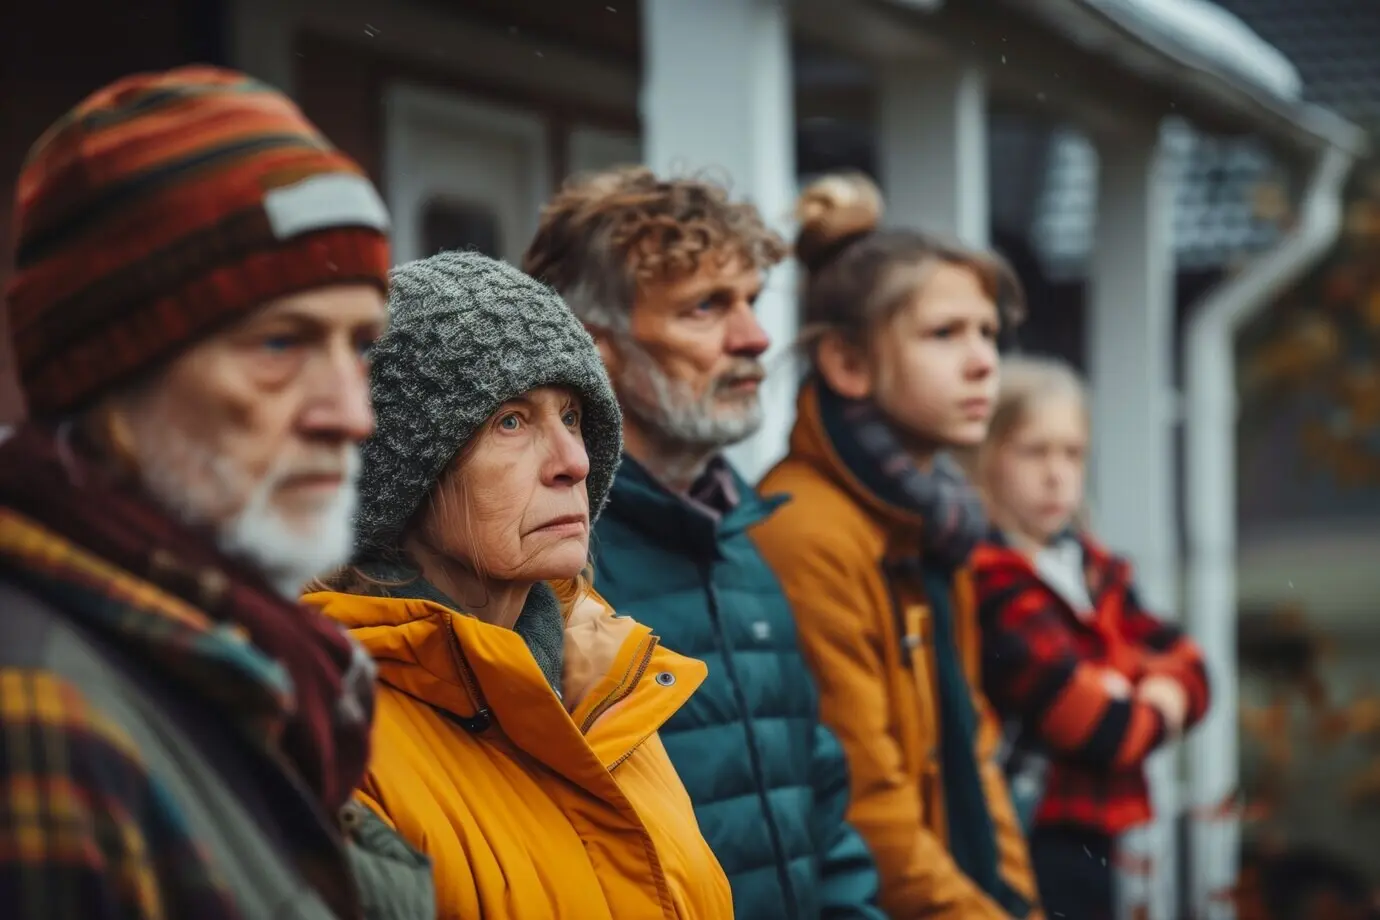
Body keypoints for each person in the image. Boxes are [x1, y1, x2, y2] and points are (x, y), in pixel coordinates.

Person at [0, 67, 432, 919]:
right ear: (110, 374)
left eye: (358, 347)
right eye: (280, 344)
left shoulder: (233, 655)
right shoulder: (40, 714)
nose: (352, 414)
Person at [301, 249, 734, 919]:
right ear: (399, 473)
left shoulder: (607, 681)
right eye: (511, 421)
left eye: (570, 416)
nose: (573, 461)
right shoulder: (332, 744)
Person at [522, 166, 886, 919]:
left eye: (752, 301)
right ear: (598, 349)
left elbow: (817, 806)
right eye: (705, 308)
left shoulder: (740, 543)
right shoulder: (549, 571)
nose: (754, 337)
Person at [751, 173, 1040, 919]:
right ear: (848, 363)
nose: (984, 362)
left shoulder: (934, 522)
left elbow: (972, 755)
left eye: (987, 333)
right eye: (945, 334)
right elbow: (868, 806)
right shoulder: (808, 530)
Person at [966, 355, 1210, 920]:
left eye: (1072, 453)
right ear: (987, 454)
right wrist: (1141, 685)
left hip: (1104, 830)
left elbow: (1194, 667)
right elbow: (1099, 729)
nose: (1057, 474)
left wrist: (1134, 687)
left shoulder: (1095, 568)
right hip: (1032, 830)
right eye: (1034, 451)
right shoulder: (990, 575)